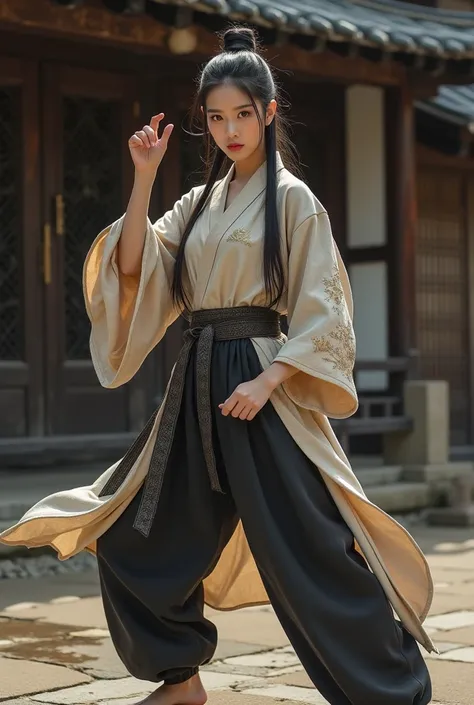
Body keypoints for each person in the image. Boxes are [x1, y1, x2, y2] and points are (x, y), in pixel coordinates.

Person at [0, 25, 435, 705]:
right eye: (215, 117)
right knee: (129, 533)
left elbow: (323, 303)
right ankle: (180, 680)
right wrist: (142, 179)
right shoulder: (200, 204)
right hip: (198, 384)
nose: (229, 129)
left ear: (267, 113)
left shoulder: (292, 200)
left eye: (241, 114)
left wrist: (266, 381)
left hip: (262, 385)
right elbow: (138, 267)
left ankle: (392, 691)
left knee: (310, 553)